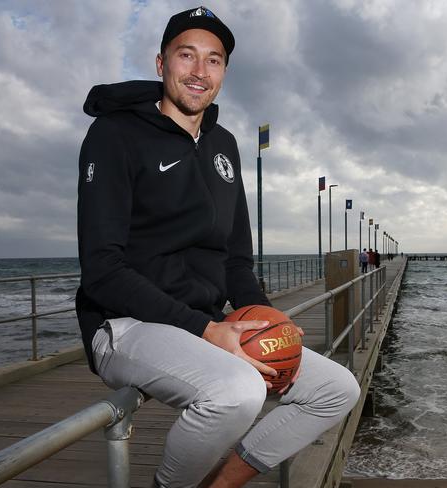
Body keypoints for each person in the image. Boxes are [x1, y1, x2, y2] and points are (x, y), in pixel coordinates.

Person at [75, 6, 359, 487]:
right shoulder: (114, 134)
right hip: (123, 324)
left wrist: (269, 321)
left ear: (224, 72)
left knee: (335, 388)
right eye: (187, 55)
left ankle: (220, 484)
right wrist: (206, 330)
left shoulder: (224, 144)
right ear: (162, 63)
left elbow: (236, 260)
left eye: (214, 60)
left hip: (206, 324)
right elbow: (102, 269)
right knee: (237, 390)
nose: (199, 71)